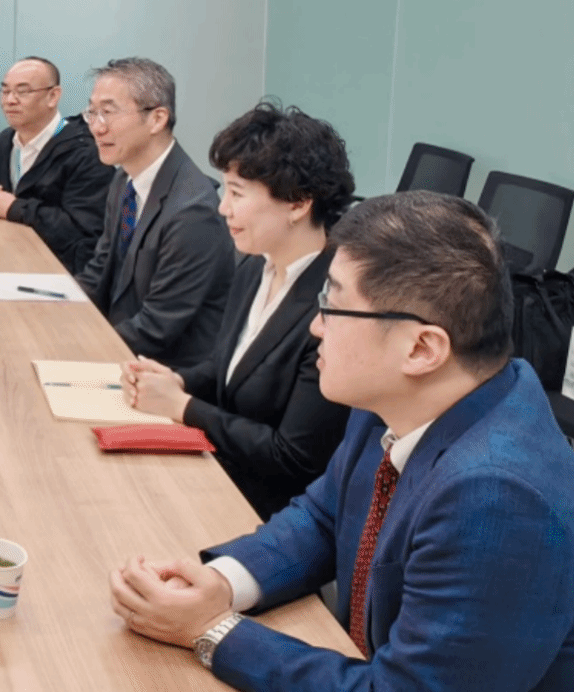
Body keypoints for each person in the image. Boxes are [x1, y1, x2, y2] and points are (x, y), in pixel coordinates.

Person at [109, 191, 574, 691]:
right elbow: (325, 517)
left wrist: (211, 630)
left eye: (332, 305)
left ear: (421, 348)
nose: (315, 326)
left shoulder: (497, 497)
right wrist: (223, 583)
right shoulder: (396, 399)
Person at [121, 102, 355, 518]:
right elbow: (228, 367)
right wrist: (177, 379)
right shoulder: (252, 266)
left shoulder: (332, 308)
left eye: (237, 193)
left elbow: (293, 457)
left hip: (265, 511)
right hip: (220, 471)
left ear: (297, 204)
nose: (223, 207)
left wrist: (182, 406)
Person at [74, 57, 233, 366]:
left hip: (164, 370)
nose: (96, 127)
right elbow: (100, 271)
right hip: (122, 345)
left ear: (157, 119)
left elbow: (157, 327)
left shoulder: (193, 212)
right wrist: (57, 312)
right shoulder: (125, 179)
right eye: (92, 112)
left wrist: (75, 345)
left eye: (108, 112)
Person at [0, 56, 114, 273]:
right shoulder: (8, 140)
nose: (10, 100)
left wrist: (13, 208)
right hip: (10, 254)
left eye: (23, 91)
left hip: (59, 272)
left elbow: (81, 233)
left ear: (53, 96)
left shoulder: (87, 153)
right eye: (5, 91)